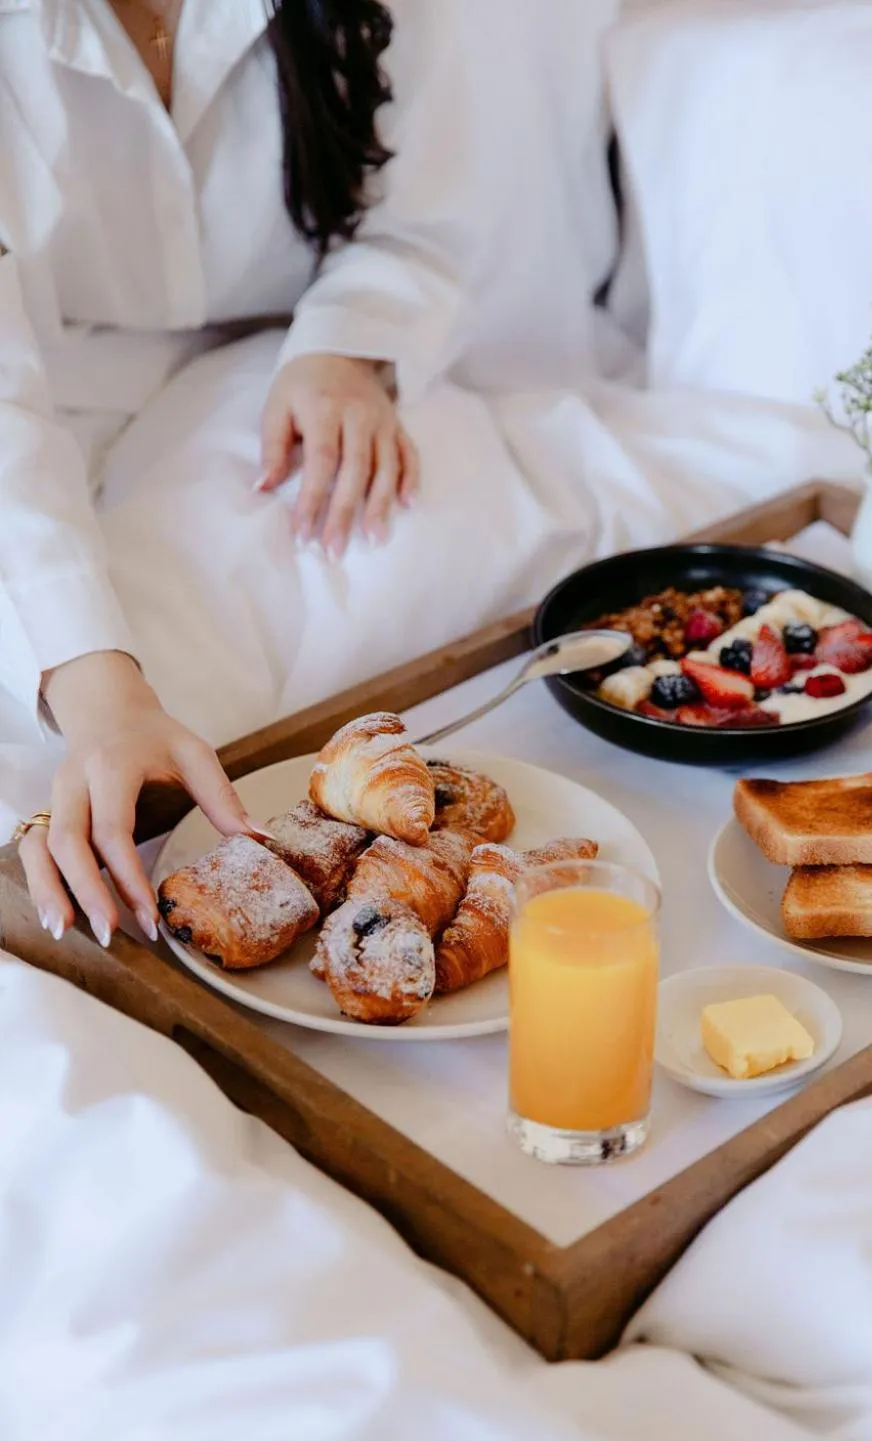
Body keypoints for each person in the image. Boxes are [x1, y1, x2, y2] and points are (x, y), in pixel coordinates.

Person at [0, 0, 622, 949]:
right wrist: (98, 694)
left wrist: (343, 349)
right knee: (71, 701)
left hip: (287, 364)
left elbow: (423, 220)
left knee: (363, 560)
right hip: (45, 408)